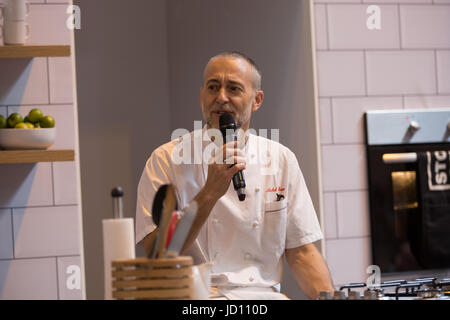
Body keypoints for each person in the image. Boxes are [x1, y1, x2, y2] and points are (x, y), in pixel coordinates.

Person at [135, 51, 335, 300]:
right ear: (201, 95)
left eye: (234, 89)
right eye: (212, 87)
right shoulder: (166, 159)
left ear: (257, 100)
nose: (221, 97)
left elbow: (302, 252)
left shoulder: (281, 159)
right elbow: (158, 255)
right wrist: (209, 192)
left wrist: (330, 298)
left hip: (262, 297)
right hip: (196, 298)